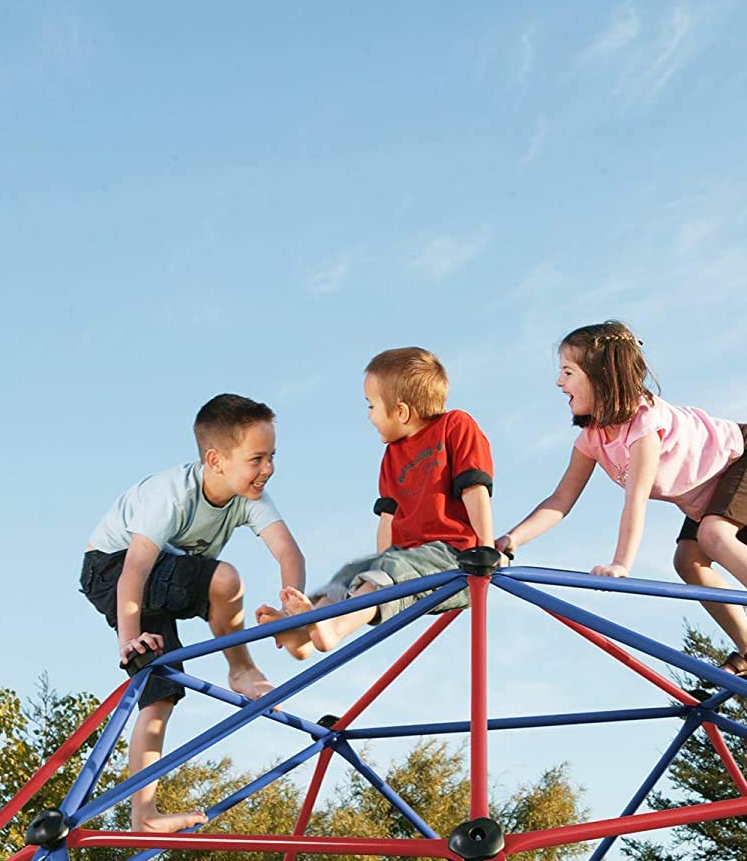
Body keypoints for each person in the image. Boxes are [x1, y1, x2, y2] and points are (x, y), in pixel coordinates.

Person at [496, 321, 747, 676]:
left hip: (746, 454)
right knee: (688, 562)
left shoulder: (644, 423)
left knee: (714, 536)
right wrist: (510, 540)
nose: (559, 383)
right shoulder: (592, 437)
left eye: (567, 372)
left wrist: (621, 563)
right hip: (709, 485)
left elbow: (636, 498)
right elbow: (560, 500)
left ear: (601, 375)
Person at [80, 393, 305, 833]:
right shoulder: (170, 496)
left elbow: (288, 550)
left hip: (158, 579)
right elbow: (133, 572)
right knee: (223, 580)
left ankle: (143, 814)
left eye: (272, 456)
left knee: (161, 693)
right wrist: (130, 640)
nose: (268, 469)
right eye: (257, 458)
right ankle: (240, 668)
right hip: (111, 569)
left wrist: (290, 602)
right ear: (215, 459)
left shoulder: (249, 494)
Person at [257, 348, 493, 657]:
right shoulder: (392, 455)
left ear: (401, 412)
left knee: (387, 566)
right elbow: (388, 521)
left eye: (371, 406)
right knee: (353, 569)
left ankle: (334, 629)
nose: (368, 415)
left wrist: (487, 551)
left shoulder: (455, 426)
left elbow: (474, 488)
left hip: (457, 560)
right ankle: (303, 631)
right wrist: (381, 572)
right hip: (406, 561)